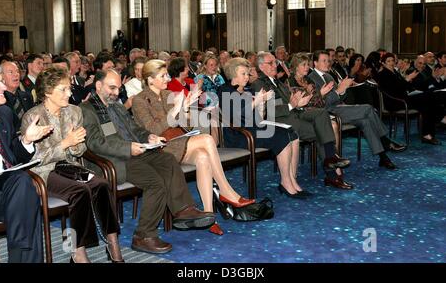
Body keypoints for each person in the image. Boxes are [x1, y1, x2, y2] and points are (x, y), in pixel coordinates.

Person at [80, 69, 215, 253]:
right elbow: (95, 143)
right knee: (156, 184)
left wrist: (149, 136)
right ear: (98, 86)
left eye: (119, 88)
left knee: (167, 159)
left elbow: (134, 129)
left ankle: (183, 210)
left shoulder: (117, 106)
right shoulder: (87, 110)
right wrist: (128, 148)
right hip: (115, 160)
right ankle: (143, 236)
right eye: (112, 88)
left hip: (137, 150)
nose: (116, 92)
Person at [131, 60, 255, 236]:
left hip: (178, 141)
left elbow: (184, 124)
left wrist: (186, 108)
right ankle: (226, 191)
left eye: (166, 74)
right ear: (150, 79)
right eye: (163, 76)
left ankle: (209, 215)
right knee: (207, 140)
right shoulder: (139, 100)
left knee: (203, 157)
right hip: (160, 149)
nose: (167, 78)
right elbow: (152, 129)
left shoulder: (168, 94)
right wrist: (174, 112)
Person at [21, 67, 124, 263]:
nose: (70, 93)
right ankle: (77, 251)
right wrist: (65, 143)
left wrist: (75, 144)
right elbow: (34, 158)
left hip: (70, 168)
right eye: (63, 89)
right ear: (48, 92)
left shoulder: (74, 111)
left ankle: (113, 242)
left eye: (69, 88)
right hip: (44, 172)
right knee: (80, 191)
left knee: (101, 185)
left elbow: (79, 151)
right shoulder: (33, 117)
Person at [252, 52, 353, 190]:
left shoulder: (278, 82)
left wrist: (299, 103)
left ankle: (331, 161)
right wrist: (291, 105)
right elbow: (267, 112)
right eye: (271, 63)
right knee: (321, 131)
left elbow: (291, 102)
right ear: (261, 66)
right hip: (280, 122)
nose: (275, 65)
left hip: (294, 114)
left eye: (275, 62)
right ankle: (333, 173)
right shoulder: (259, 84)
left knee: (322, 114)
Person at [219, 58, 307, 198]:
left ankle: (292, 180)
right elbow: (236, 116)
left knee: (291, 133)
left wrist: (261, 104)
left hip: (253, 129)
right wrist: (257, 101)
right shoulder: (225, 90)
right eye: (244, 74)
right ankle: (286, 183)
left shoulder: (247, 89)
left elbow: (258, 117)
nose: (247, 77)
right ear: (233, 74)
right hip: (239, 135)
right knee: (281, 136)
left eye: (248, 74)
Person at [308, 50, 406, 170]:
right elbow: (320, 103)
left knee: (366, 121)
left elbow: (340, 97)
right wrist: (339, 91)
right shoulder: (311, 79)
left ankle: (383, 157)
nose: (327, 63)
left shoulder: (328, 76)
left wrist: (343, 89)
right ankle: (385, 141)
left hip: (338, 107)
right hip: (327, 112)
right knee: (368, 109)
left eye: (328, 60)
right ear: (315, 63)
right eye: (324, 61)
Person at [0, 70, 52, 263]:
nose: (3, 87)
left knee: (23, 187)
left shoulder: (3, 113)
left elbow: (13, 154)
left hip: (5, 184)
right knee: (25, 194)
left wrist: (27, 140)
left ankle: (19, 255)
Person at [376, 53, 443, 145]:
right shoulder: (382, 74)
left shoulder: (395, 72)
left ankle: (428, 134)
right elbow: (393, 90)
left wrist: (408, 82)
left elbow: (405, 87)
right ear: (383, 63)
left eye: (392, 60)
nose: (391, 63)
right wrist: (407, 79)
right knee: (428, 99)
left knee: (429, 100)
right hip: (394, 102)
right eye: (388, 61)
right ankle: (431, 129)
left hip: (404, 98)